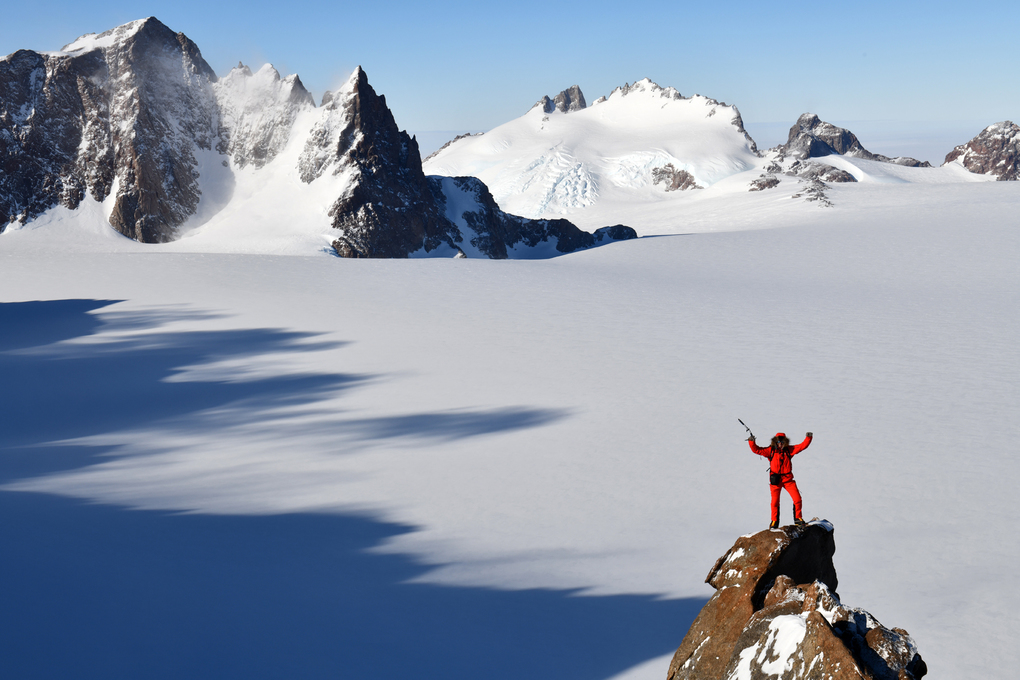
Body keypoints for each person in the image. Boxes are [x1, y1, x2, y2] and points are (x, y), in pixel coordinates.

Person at [748, 431, 813, 529]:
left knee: (797, 499)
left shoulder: (789, 450)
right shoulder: (771, 450)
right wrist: (752, 442)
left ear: (785, 442)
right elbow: (757, 450)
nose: (780, 444)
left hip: (788, 480)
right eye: (778, 442)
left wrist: (808, 438)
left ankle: (798, 519)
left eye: (782, 442)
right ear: (775, 442)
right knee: (774, 502)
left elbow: (802, 446)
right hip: (776, 481)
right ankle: (774, 521)